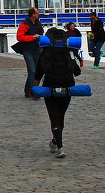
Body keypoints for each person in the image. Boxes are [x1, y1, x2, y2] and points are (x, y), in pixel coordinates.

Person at [34, 27, 82, 158]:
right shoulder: (69, 51)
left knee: (54, 116)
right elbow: (77, 72)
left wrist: (35, 91)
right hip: (67, 87)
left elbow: (38, 73)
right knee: (61, 116)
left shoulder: (45, 52)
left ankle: (59, 145)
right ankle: (56, 142)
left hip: (50, 87)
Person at [15, 7, 43, 99]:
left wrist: (40, 38)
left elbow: (41, 32)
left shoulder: (38, 23)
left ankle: (27, 91)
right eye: (37, 13)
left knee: (33, 71)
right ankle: (33, 91)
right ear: (33, 15)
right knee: (32, 70)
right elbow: (19, 37)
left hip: (36, 49)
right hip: (27, 50)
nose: (39, 15)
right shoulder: (24, 24)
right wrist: (33, 37)